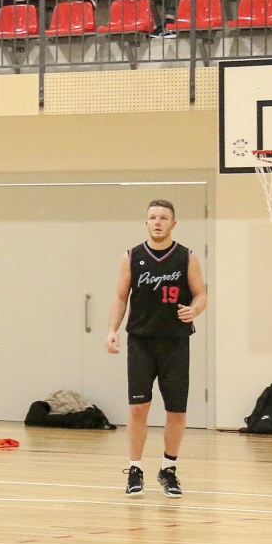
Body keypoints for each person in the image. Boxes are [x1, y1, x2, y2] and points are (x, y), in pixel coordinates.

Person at [105, 199, 208, 498]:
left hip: (175, 342)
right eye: (152, 217)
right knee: (139, 407)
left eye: (163, 217)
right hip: (141, 341)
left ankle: (168, 469)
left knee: (176, 410)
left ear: (173, 223)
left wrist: (194, 310)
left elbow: (201, 294)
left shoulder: (186, 257)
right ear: (146, 222)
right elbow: (120, 297)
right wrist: (112, 329)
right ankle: (135, 469)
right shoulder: (132, 256)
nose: (158, 222)